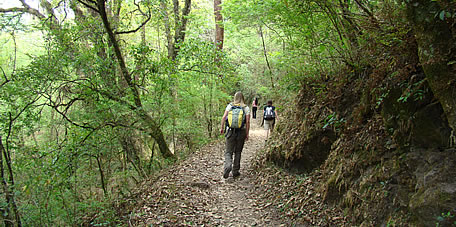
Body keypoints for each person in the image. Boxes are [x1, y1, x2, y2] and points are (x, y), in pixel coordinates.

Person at [220, 92, 250, 179]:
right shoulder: (246, 108)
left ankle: (228, 166)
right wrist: (247, 133)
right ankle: (235, 171)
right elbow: (247, 121)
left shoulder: (230, 106)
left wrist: (222, 128)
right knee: (238, 152)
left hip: (230, 131)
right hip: (241, 132)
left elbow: (223, 117)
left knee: (228, 152)